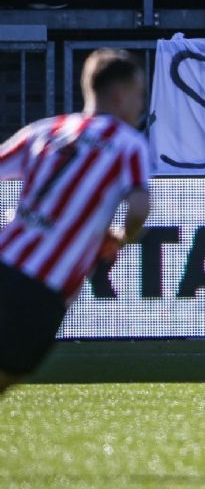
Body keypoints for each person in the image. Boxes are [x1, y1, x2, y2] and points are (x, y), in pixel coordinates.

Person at [0, 48, 152, 395]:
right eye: (139, 95)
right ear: (120, 95)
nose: (140, 105)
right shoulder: (128, 145)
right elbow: (139, 207)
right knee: (8, 374)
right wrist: (121, 236)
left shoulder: (45, 130)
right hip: (44, 285)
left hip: (5, 259)